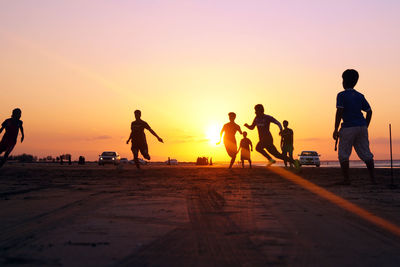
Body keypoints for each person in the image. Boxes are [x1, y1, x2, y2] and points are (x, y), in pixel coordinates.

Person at [333, 69, 375, 184]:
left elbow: (339, 112)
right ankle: (373, 179)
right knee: (366, 153)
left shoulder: (341, 95)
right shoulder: (360, 96)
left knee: (343, 154)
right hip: (362, 126)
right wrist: (365, 126)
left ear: (344, 81)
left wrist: (335, 129)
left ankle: (346, 180)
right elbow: (369, 111)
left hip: (348, 127)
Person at [244, 104, 300, 169]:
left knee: (258, 148)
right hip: (263, 139)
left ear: (260, 110)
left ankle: (270, 159)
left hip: (267, 138)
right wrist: (247, 125)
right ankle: (294, 162)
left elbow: (277, 122)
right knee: (277, 155)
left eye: (256, 110)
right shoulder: (256, 119)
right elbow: (252, 127)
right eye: (255, 111)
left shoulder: (267, 117)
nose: (255, 112)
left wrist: (281, 129)